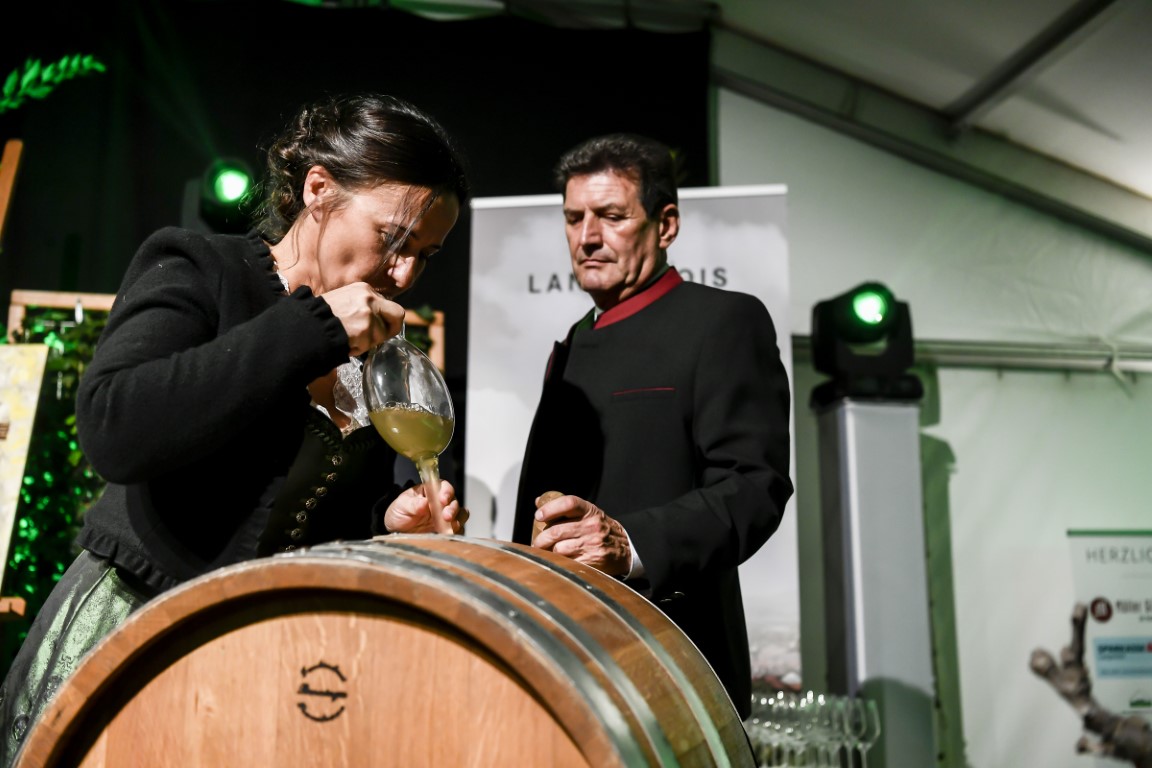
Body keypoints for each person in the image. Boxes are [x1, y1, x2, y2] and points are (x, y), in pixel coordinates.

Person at [0, 92, 471, 764]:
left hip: (257, 657)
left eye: (426, 254)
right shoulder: (201, 268)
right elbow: (114, 428)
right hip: (135, 633)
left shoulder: (373, 348)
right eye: (393, 240)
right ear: (318, 190)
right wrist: (310, 329)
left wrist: (386, 522)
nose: (404, 274)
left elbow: (304, 513)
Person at [512, 133, 794, 720]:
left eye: (612, 216)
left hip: (674, 663)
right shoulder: (571, 345)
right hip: (562, 662)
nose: (588, 237)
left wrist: (630, 543)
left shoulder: (724, 320)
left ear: (666, 225)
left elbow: (753, 486)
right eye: (574, 218)